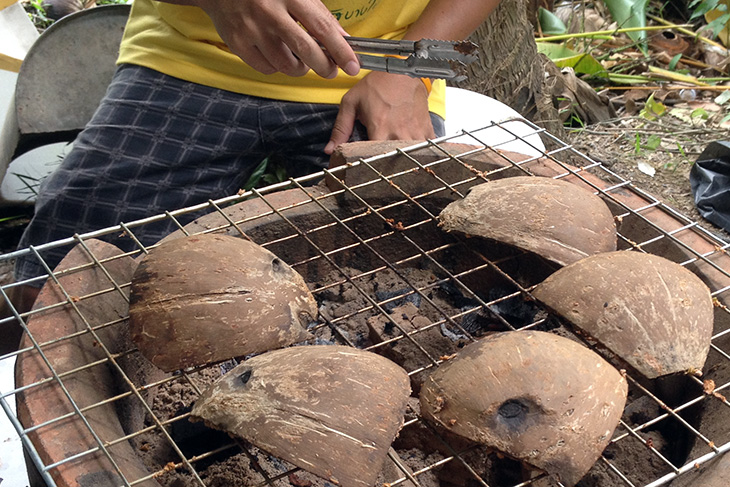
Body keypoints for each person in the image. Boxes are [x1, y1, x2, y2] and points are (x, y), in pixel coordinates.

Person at [4, 0, 501, 351]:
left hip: (381, 67)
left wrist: (413, 67)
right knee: (56, 272)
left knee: (424, 261)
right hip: (190, 55)